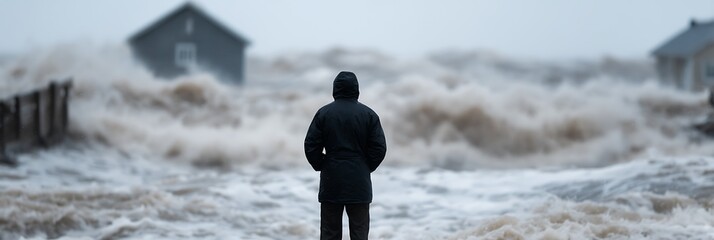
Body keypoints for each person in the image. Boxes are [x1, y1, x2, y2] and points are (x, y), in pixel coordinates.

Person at [304, 71, 387, 240]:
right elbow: (379, 148)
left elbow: (311, 145)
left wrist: (321, 164)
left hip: (331, 180)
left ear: (335, 89)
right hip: (359, 181)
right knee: (359, 233)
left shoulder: (324, 113)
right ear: (356, 89)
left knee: (330, 233)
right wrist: (365, 166)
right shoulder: (369, 114)